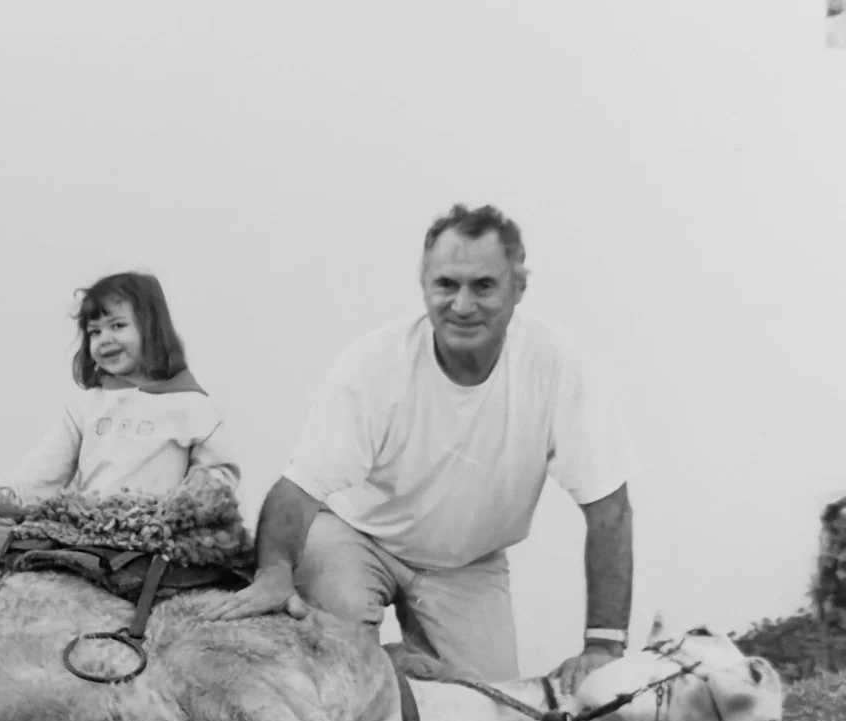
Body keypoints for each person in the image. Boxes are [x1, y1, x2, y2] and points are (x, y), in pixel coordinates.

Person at [201, 204, 638, 686]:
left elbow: (608, 509)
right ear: (424, 283)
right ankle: (380, 663)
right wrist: (274, 572)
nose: (463, 305)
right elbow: (299, 489)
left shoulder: (556, 364)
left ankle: (404, 666)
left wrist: (603, 645)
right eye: (447, 284)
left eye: (484, 286)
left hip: (467, 567)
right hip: (356, 537)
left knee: (492, 714)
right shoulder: (374, 363)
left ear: (519, 288)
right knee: (339, 677)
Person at [5, 271, 241, 499]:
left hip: (158, 532)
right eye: (95, 332)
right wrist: (4, 497)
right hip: (91, 531)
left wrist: (195, 502)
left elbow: (220, 471)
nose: (104, 339)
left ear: (151, 329)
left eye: (117, 325)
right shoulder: (88, 407)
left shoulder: (192, 405)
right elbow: (44, 470)